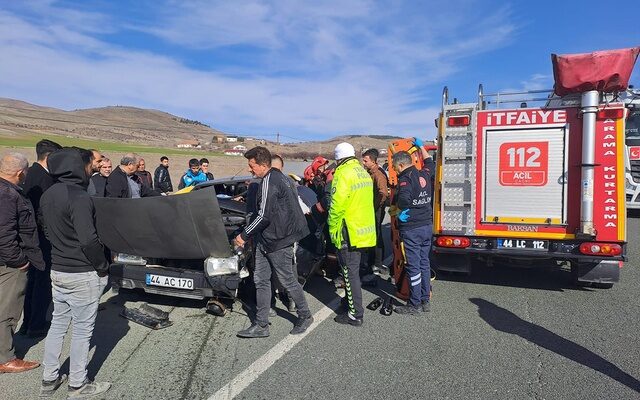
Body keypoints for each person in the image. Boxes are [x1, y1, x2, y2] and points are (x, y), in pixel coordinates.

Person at [40, 147, 111, 397]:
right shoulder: (78, 196)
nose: (92, 165)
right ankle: (78, 384)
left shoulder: (48, 194)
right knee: (82, 330)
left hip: (58, 269)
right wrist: (102, 268)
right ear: (75, 166)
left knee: (58, 324)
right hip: (82, 272)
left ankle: (49, 379)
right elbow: (89, 240)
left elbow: (47, 231)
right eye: (88, 162)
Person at [233, 146, 313, 338]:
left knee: (287, 279)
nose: (250, 169)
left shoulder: (270, 181)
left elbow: (264, 215)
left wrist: (244, 235)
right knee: (261, 279)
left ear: (262, 164)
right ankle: (261, 325)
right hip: (266, 239)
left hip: (277, 240)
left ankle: (305, 315)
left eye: (251, 165)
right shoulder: (281, 178)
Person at [0, 152, 45, 373]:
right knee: (8, 310)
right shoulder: (8, 195)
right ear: (21, 172)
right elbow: (5, 234)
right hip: (8, 264)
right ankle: (5, 358)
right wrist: (19, 262)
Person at [328, 142, 376, 326]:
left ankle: (356, 314)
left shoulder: (342, 173)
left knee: (349, 273)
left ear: (338, 158)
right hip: (362, 231)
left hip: (348, 231)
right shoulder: (362, 171)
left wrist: (333, 230)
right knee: (352, 270)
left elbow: (337, 206)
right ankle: (349, 302)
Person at [20, 139, 61, 338]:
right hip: (40, 238)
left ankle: (28, 323)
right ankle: (36, 324)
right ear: (50, 157)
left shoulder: (34, 174)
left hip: (34, 238)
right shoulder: (42, 178)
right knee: (41, 282)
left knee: (34, 282)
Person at [390, 138, 435, 315]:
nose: (395, 170)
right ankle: (425, 300)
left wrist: (400, 211)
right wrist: (421, 146)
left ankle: (414, 304)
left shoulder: (405, 179)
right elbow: (430, 161)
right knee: (425, 263)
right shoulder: (424, 173)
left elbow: (404, 199)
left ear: (400, 165)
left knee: (414, 266)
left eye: (395, 168)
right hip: (426, 225)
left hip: (412, 229)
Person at [361, 149, 389, 275]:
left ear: (373, 161)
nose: (363, 162)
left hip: (376, 209)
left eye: (365, 160)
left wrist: (375, 205)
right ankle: (373, 260)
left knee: (377, 235)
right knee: (373, 234)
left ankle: (377, 263)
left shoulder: (378, 174)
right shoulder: (369, 172)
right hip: (371, 208)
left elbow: (383, 192)